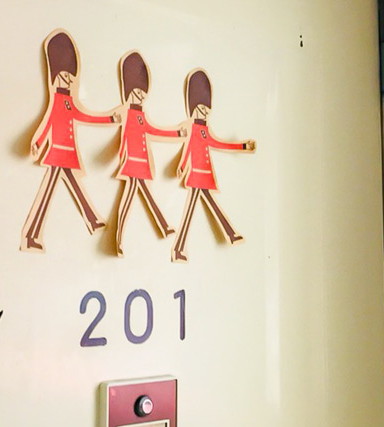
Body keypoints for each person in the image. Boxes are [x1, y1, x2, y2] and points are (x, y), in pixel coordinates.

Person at [22, 29, 120, 252]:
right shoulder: (58, 100)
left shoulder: (69, 101)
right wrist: (38, 142)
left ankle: (91, 218)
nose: (70, 80)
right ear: (57, 76)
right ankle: (31, 235)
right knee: (47, 195)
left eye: (71, 76)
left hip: (66, 153)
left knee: (72, 185)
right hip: (57, 152)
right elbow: (47, 122)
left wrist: (109, 118)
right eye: (66, 76)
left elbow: (86, 116)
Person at [172, 69, 256, 263]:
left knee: (207, 206)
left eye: (207, 108)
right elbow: (188, 149)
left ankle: (228, 233)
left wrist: (242, 146)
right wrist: (182, 166)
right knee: (191, 212)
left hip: (204, 175)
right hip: (195, 175)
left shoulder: (205, 130)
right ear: (195, 108)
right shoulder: (193, 129)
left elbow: (219, 144)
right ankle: (179, 248)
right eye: (203, 108)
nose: (206, 112)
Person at [112, 51, 186, 256]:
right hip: (132, 163)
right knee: (128, 202)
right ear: (130, 91)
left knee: (143, 195)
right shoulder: (127, 113)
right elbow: (122, 134)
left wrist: (177, 133)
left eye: (143, 92)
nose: (142, 96)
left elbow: (155, 131)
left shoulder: (141, 116)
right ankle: (120, 238)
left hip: (141, 164)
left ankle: (162, 225)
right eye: (139, 92)